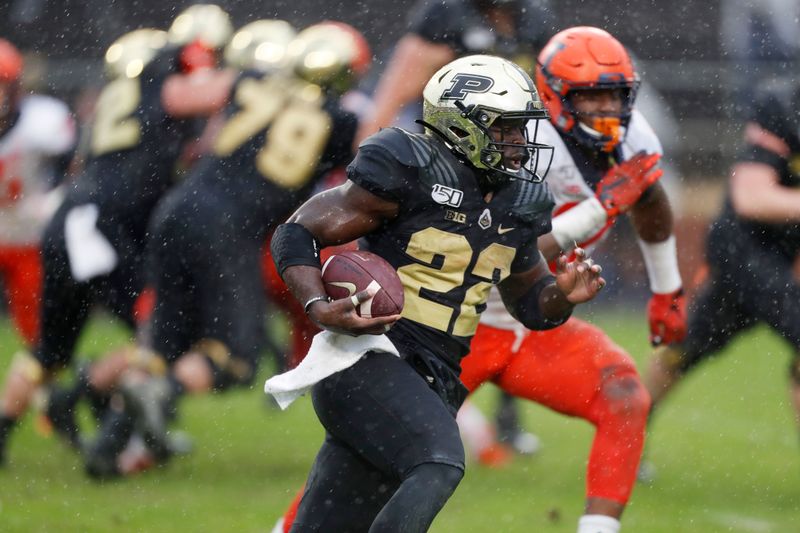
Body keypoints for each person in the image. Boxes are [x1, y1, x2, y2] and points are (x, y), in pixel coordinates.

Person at [274, 26, 678, 533]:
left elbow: (531, 302)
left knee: (335, 517)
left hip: (440, 368)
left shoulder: (520, 198)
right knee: (438, 461)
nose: (521, 142)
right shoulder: (407, 163)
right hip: (373, 357)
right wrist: (316, 306)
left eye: (522, 127)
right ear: (464, 125)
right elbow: (296, 232)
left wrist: (563, 295)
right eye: (507, 128)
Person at [79, 20, 370, 479]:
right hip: (229, 226)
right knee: (235, 357)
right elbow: (332, 190)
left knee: (164, 340)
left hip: (178, 206)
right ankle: (166, 391)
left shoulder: (252, 81)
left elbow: (207, 135)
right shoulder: (341, 121)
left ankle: (106, 450)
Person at [0, 6, 236, 467]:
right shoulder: (164, 82)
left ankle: (23, 425)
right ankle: (115, 429)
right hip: (97, 227)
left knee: (51, 350)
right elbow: (209, 96)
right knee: (161, 332)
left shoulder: (120, 96)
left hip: (75, 219)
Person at [643, 76, 800, 467]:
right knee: (682, 350)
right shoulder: (783, 103)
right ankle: (625, 437)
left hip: (785, 251)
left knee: (684, 347)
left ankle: (623, 438)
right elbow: (751, 196)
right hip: (744, 249)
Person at [355, 0, 554, 143]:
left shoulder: (534, 17)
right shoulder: (447, 14)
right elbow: (394, 94)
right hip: (446, 125)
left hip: (506, 124)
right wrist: (370, 147)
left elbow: (546, 91)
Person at [0, 38, 76, 348]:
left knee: (36, 325)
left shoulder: (42, 121)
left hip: (28, 234)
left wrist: (57, 199)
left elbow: (75, 165)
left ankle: (41, 376)